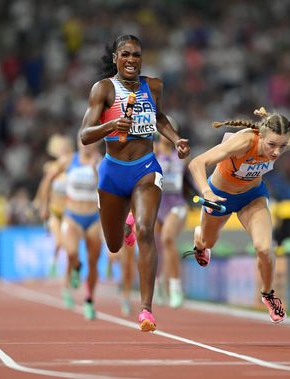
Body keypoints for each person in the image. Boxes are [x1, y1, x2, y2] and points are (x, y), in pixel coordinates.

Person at [185, 100, 290, 323]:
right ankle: (199, 239)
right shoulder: (244, 141)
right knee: (208, 243)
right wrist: (205, 191)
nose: (276, 152)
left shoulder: (281, 136)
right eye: (271, 145)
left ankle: (268, 295)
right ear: (261, 135)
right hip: (219, 196)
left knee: (264, 248)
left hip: (253, 197)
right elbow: (197, 163)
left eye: (283, 146)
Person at [79, 34, 190, 332]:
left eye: (137, 55)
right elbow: (85, 135)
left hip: (145, 169)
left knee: (146, 230)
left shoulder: (153, 86)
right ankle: (123, 227)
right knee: (114, 245)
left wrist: (176, 139)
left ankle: (146, 310)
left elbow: (160, 118)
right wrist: (111, 125)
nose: (131, 60)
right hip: (113, 172)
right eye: (125, 54)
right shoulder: (103, 89)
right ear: (116, 57)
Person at [40, 137, 103, 320]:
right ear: (78, 142)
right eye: (83, 141)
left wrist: (96, 171)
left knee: (93, 261)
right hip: (72, 216)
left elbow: (108, 188)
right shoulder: (69, 160)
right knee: (71, 252)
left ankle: (89, 300)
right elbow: (48, 179)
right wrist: (44, 204)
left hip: (93, 218)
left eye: (90, 141)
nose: (86, 144)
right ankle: (76, 267)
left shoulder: (101, 162)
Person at [153, 120, 189, 309]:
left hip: (177, 205)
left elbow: (192, 175)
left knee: (167, 239)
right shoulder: (152, 152)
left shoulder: (181, 153)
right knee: (156, 248)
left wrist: (206, 193)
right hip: (157, 206)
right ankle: (159, 283)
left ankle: (176, 286)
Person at [34, 134, 74, 277]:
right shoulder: (51, 168)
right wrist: (42, 205)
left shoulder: (73, 168)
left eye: (65, 149)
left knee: (70, 245)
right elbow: (44, 186)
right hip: (54, 211)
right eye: (60, 149)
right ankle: (54, 262)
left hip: (69, 212)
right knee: (58, 242)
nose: (63, 152)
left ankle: (72, 270)